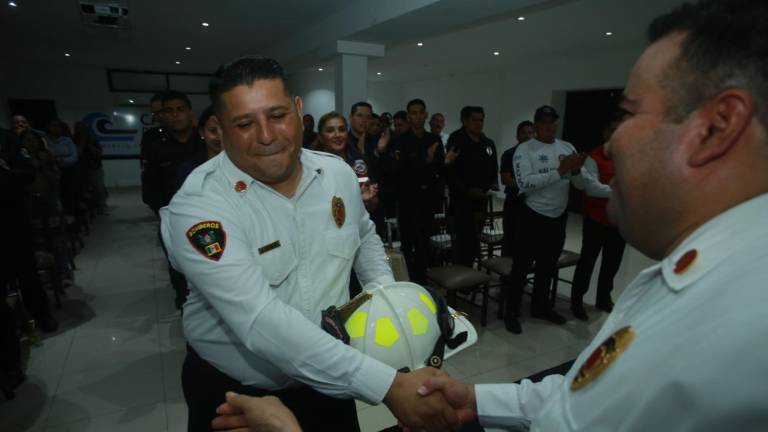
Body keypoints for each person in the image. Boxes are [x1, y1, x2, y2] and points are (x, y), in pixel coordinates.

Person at [418, 0, 768, 430]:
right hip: (528, 217)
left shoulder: (744, 320)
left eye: (629, 113)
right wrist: (476, 397)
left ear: (716, 128)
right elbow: (580, 397)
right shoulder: (690, 275)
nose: (613, 140)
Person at [160, 56, 459, 432]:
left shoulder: (336, 173)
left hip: (331, 377)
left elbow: (364, 235)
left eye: (278, 115)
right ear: (218, 129)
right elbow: (259, 320)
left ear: (298, 110)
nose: (267, 135)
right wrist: (387, 385)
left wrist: (388, 310)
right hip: (238, 396)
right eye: (245, 123)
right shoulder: (200, 206)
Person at [504, 106, 609, 334]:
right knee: (521, 267)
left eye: (553, 121)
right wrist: (560, 171)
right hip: (532, 215)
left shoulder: (566, 147)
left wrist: (577, 171)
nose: (549, 126)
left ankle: (540, 307)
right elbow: (525, 183)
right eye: (544, 122)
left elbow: (581, 185)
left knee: (547, 266)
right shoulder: (525, 149)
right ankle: (510, 312)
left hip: (557, 217)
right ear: (536, 125)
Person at [570, 120, 625, 320]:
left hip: (619, 221)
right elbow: (592, 189)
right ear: (605, 133)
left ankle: (604, 298)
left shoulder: (627, 157)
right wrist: (622, 191)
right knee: (588, 262)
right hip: (596, 220)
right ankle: (576, 301)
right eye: (613, 130)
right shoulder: (593, 158)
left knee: (612, 263)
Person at [389, 99, 444, 285]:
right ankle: (408, 283)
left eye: (421, 112)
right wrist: (425, 162)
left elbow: (439, 171)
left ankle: (423, 283)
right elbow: (400, 174)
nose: (417, 116)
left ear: (426, 114)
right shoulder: (400, 141)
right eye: (413, 113)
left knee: (425, 246)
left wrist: (427, 167)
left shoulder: (434, 140)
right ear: (408, 116)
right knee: (408, 245)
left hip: (427, 202)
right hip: (407, 202)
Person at [445, 106, 498, 268]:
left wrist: (491, 184)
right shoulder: (456, 139)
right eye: (474, 120)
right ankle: (461, 278)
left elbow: (493, 167)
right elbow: (451, 172)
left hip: (481, 199)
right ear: (465, 121)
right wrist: (467, 190)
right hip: (462, 200)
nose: (478, 124)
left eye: (481, 120)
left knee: (475, 239)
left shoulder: (487, 142)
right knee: (463, 240)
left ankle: (471, 273)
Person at [499, 120, 534, 256]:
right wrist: (527, 185)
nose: (528, 136)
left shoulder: (537, 155)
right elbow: (505, 179)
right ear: (517, 136)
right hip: (515, 201)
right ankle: (506, 274)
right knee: (510, 238)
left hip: (533, 203)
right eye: (524, 133)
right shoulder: (510, 154)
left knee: (527, 239)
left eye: (531, 133)